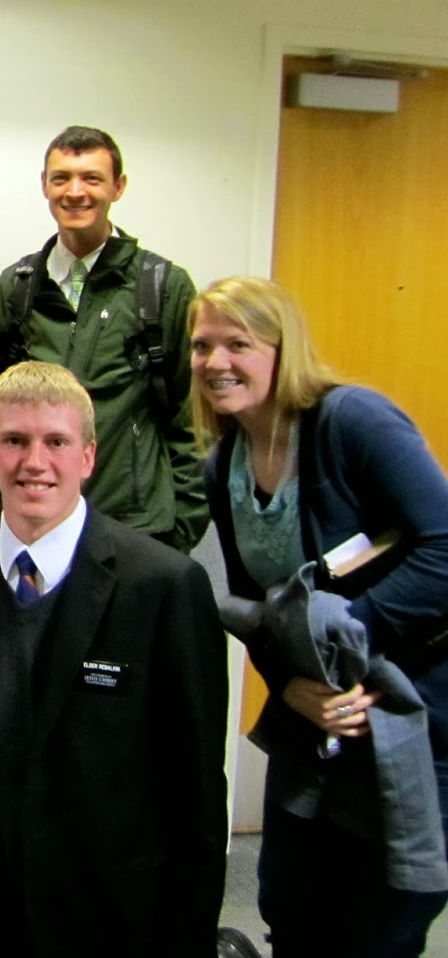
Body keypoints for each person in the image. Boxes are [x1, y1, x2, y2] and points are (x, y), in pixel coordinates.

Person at [0, 360, 227, 956]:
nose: (34, 462)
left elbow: (195, 795)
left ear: (88, 457)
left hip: (111, 913)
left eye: (56, 442)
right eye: (15, 440)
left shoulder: (164, 586)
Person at [191, 276, 448, 957]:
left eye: (238, 344)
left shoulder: (353, 421)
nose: (216, 362)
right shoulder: (223, 468)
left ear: (284, 350)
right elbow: (263, 613)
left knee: (384, 921)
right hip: (316, 718)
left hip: (421, 704)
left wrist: (346, 643)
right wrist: (291, 686)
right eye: (202, 346)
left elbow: (445, 545)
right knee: (291, 905)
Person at [0, 125, 207, 552]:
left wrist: (181, 527)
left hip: (135, 528)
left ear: (117, 187)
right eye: (61, 178)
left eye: (91, 178)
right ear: (45, 185)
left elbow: (191, 417)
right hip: (32, 524)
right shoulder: (18, 286)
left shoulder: (163, 287)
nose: (75, 192)